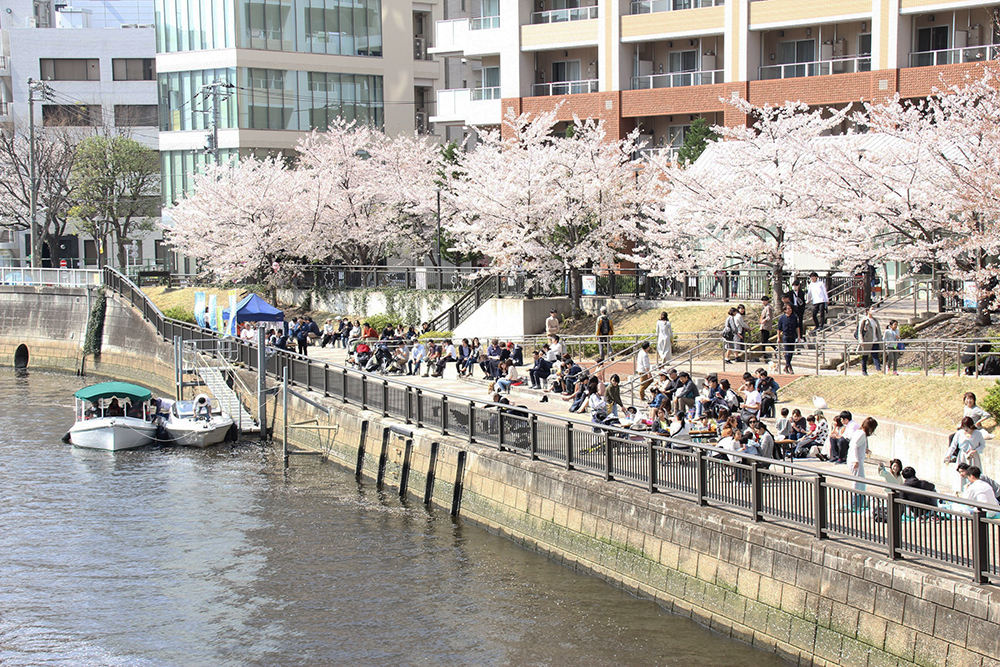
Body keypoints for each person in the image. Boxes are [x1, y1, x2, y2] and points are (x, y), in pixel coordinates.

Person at [846, 417, 878, 510]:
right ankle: (855, 504)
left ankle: (858, 503)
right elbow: (854, 446)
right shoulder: (862, 434)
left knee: (861, 482)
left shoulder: (858, 432)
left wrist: (865, 450)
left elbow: (856, 445)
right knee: (858, 482)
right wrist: (856, 460)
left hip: (854, 460)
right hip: (855, 461)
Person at [950, 417, 985, 491]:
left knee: (974, 475)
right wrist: (948, 455)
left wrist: (975, 451)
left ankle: (974, 491)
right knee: (961, 474)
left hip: (973, 457)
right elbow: (953, 445)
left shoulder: (978, 433)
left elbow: (982, 445)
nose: (965, 429)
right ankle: (960, 491)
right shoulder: (959, 433)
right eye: (964, 427)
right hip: (962, 456)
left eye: (967, 427)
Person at [856, 308, 882, 376]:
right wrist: (861, 341)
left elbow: (878, 331)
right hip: (867, 340)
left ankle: (878, 369)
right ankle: (864, 371)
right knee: (865, 356)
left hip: (875, 340)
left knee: (875, 355)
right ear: (867, 311)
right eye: (872, 309)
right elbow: (860, 331)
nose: (873, 311)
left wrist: (880, 339)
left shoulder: (875, 320)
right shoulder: (864, 320)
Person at [776, 303, 800, 374]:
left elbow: (797, 327)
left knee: (791, 352)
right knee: (787, 352)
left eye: (790, 309)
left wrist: (799, 336)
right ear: (785, 310)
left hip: (792, 336)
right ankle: (789, 367)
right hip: (785, 336)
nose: (790, 310)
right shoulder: (782, 318)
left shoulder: (794, 317)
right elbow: (779, 329)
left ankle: (786, 366)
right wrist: (778, 338)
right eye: (788, 309)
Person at [759, 295, 774, 360]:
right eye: (763, 300)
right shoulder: (765, 307)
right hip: (764, 325)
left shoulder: (768, 307)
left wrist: (764, 320)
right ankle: (764, 353)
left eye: (764, 300)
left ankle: (764, 353)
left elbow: (769, 317)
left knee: (764, 340)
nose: (763, 302)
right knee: (764, 340)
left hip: (765, 326)